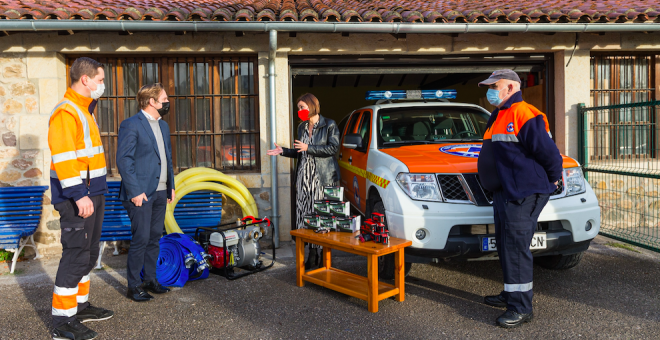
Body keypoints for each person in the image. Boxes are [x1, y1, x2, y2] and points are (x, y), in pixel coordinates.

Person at [477, 70, 563, 328]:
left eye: (495, 85)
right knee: (505, 245)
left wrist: (553, 178)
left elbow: (550, 154)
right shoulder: (499, 114)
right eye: (488, 86)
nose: (490, 90)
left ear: (511, 87)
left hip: (524, 193)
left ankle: (521, 308)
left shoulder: (525, 113)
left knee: (515, 248)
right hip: (506, 192)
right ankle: (510, 294)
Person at [49, 57, 114, 340]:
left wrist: (92, 193)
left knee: (87, 255)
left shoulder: (85, 110)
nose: (103, 85)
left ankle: (80, 306)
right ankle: (63, 323)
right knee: (75, 256)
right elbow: (64, 159)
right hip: (78, 197)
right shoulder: (66, 112)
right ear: (85, 79)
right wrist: (79, 195)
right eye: (100, 80)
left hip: (92, 193)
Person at [267, 93, 340, 268]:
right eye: (298, 108)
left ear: (312, 106)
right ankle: (312, 254)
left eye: (302, 107)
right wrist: (284, 151)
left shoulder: (329, 125)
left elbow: (333, 148)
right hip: (303, 179)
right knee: (306, 217)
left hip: (322, 178)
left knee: (322, 217)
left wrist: (309, 147)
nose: (300, 110)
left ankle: (323, 254)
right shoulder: (301, 127)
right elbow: (300, 151)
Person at [116, 83, 175, 302]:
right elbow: (124, 160)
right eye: (164, 98)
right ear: (152, 101)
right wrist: (135, 191)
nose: (167, 102)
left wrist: (171, 186)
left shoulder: (164, 126)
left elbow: (167, 158)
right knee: (140, 239)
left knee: (154, 239)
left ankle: (150, 280)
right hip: (140, 194)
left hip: (160, 192)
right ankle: (133, 286)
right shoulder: (131, 125)